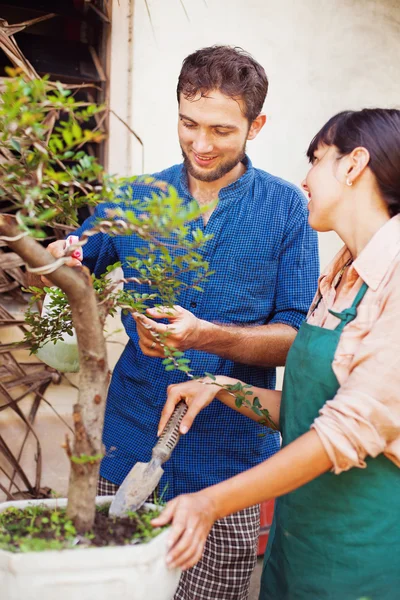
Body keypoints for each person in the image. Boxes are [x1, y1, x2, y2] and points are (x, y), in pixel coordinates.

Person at [46, 45, 319, 600]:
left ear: (256, 125)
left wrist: (204, 334)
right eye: (188, 123)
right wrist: (56, 258)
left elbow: (295, 340)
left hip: (229, 460)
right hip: (126, 438)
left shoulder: (289, 208)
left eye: (220, 129)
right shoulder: (137, 198)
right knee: (112, 589)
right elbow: (69, 269)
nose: (200, 143)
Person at [153, 108, 400, 600]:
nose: (304, 178)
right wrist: (221, 387)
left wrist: (209, 503)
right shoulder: (340, 274)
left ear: (352, 166)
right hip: (297, 546)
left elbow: (345, 430)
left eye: (314, 159)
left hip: (363, 560)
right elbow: (308, 411)